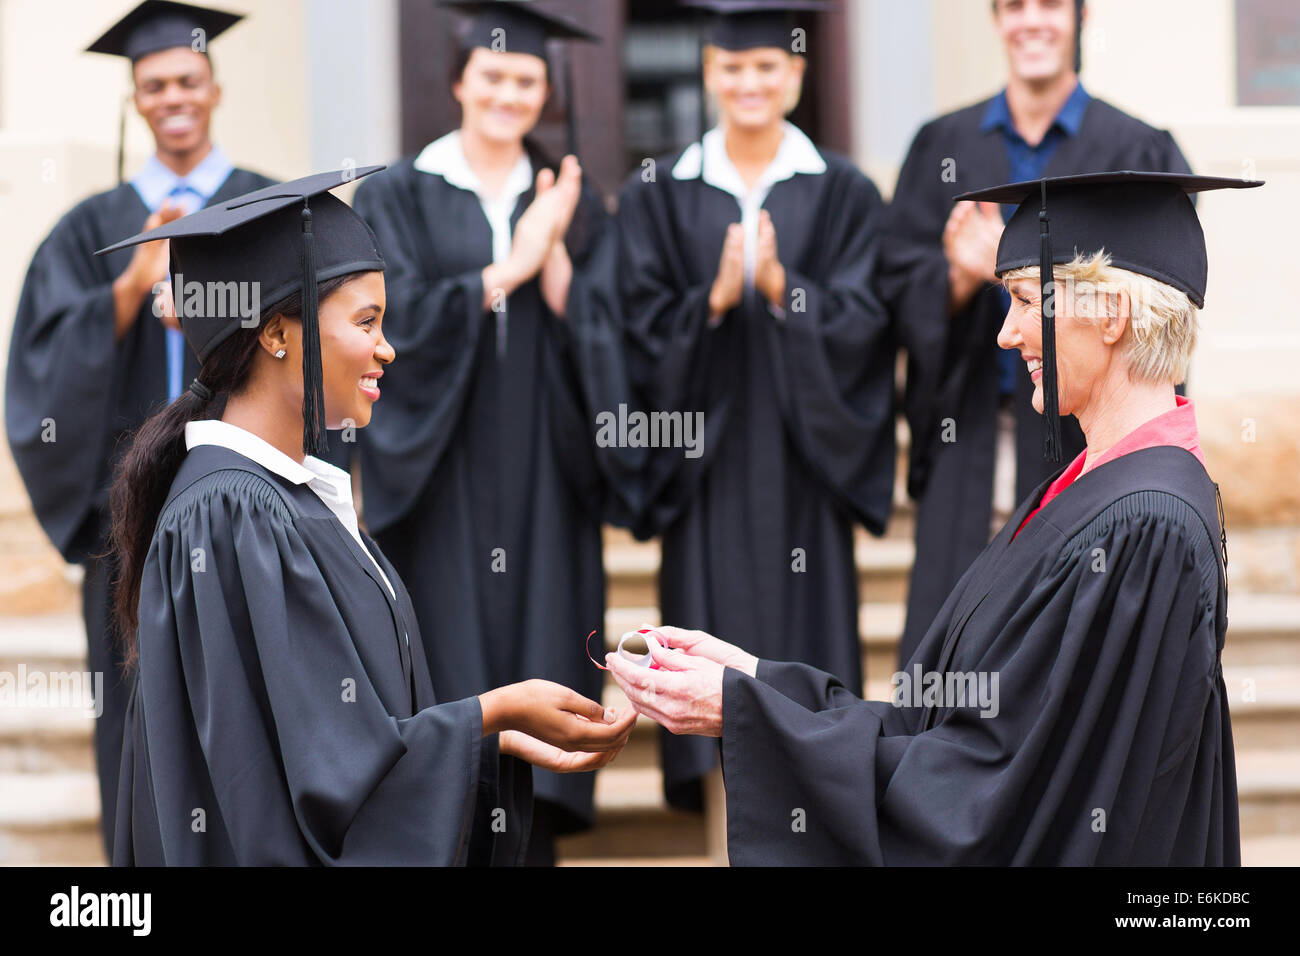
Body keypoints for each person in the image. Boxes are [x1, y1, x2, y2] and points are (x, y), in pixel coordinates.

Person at [606, 171, 1258, 865]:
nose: (1007, 334)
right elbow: (949, 740)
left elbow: (996, 803)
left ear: (1111, 314)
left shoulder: (1143, 528)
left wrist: (749, 719)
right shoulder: (1090, 493)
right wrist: (759, 682)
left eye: (1025, 302)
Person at [101, 168, 637, 865]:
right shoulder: (232, 515)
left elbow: (344, 739)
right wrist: (491, 712)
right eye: (366, 322)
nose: (388, 348)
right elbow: (312, 788)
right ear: (276, 334)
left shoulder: (286, 498)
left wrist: (485, 741)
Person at [349, 0, 637, 863]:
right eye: (495, 77)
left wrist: (561, 286)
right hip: (441, 474)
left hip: (548, 472)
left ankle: (536, 829)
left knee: (546, 643)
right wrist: (505, 270)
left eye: (527, 80)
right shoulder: (398, 193)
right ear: (458, 83)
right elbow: (378, 328)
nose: (510, 94)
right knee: (449, 658)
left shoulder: (573, 197)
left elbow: (614, 331)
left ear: (546, 90)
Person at [3, 0, 274, 859]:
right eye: (154, 84)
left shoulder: (267, 206)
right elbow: (39, 364)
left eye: (186, 80)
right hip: (132, 515)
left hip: (244, 503)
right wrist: (130, 286)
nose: (173, 97)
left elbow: (304, 345)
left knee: (249, 695)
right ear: (137, 99)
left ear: (214, 87)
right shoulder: (90, 228)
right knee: (131, 707)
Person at [615, 0, 895, 812]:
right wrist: (711, 302)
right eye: (732, 67)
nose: (749, 82)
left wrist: (781, 291)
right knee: (711, 651)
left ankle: (816, 813)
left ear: (797, 75)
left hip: (806, 467)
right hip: (706, 470)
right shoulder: (661, 193)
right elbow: (636, 322)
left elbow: (869, 323)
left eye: (767, 66)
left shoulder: (841, 190)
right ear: (708, 73)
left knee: (801, 657)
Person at [878, 0, 1194, 667]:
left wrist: (1007, 266)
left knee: (1063, 642)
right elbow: (891, 289)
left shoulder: (1136, 146)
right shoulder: (942, 144)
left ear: (1081, 16)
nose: (1032, 21)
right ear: (996, 20)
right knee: (954, 636)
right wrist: (960, 279)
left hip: (1085, 434)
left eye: (1050, 4)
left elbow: (1156, 294)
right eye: (1014, 6)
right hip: (969, 431)